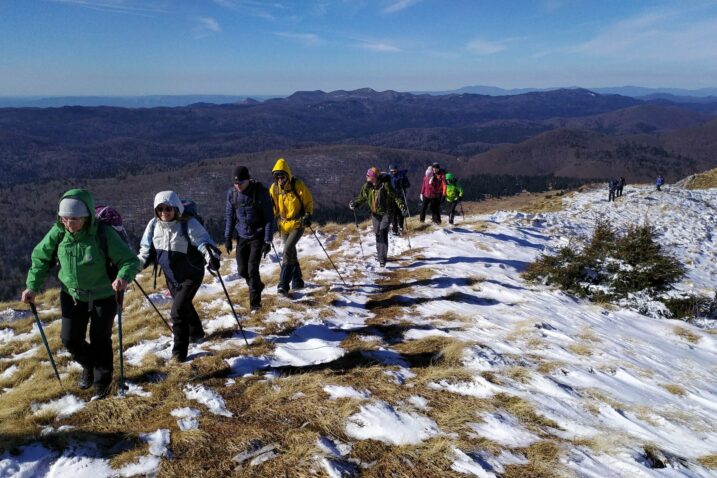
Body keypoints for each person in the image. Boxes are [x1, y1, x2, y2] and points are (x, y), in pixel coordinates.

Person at [22, 188, 139, 399]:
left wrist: (123, 277)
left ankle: (102, 384)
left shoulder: (103, 234)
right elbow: (41, 258)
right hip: (72, 295)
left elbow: (129, 260)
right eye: (64, 219)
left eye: (74, 219)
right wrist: (32, 286)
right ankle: (90, 366)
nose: (68, 224)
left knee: (100, 339)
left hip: (105, 294)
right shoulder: (58, 233)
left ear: (86, 217)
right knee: (69, 339)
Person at [138, 191, 220, 362]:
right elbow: (145, 251)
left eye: (168, 209)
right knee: (184, 306)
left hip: (191, 274)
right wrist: (132, 268)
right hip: (171, 277)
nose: (164, 213)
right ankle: (197, 333)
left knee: (177, 311)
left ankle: (179, 353)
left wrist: (212, 258)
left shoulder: (188, 223)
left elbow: (204, 241)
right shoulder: (153, 225)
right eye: (160, 209)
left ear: (176, 209)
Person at [224, 166, 274, 309]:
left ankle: (255, 305)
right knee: (242, 270)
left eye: (240, 183)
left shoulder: (261, 192)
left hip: (257, 235)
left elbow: (269, 218)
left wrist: (267, 240)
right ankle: (257, 285)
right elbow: (230, 216)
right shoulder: (232, 194)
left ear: (248, 180)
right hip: (241, 235)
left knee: (252, 269)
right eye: (235, 183)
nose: (237, 186)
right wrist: (227, 238)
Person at [269, 158, 314, 297]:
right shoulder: (274, 188)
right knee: (291, 251)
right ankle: (297, 281)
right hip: (283, 225)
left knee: (287, 250)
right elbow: (274, 208)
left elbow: (308, 201)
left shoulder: (297, 185)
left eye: (282, 176)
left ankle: (283, 284)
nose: (280, 179)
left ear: (287, 175)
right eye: (277, 176)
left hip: (298, 223)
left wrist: (308, 215)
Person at [349, 167, 408, 267]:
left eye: (369, 175)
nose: (366, 177)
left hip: (387, 213)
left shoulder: (386, 185)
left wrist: (402, 206)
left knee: (382, 233)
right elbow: (363, 197)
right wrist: (355, 204)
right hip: (375, 214)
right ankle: (380, 254)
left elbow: (396, 196)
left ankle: (382, 258)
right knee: (377, 234)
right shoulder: (367, 186)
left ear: (374, 177)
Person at [387, 163, 410, 235]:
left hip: (400, 196)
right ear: (390, 171)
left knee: (400, 213)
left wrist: (404, 184)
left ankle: (401, 226)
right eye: (392, 171)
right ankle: (394, 229)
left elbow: (408, 184)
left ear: (397, 170)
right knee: (394, 214)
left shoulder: (402, 176)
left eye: (395, 171)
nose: (393, 172)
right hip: (392, 198)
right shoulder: (388, 177)